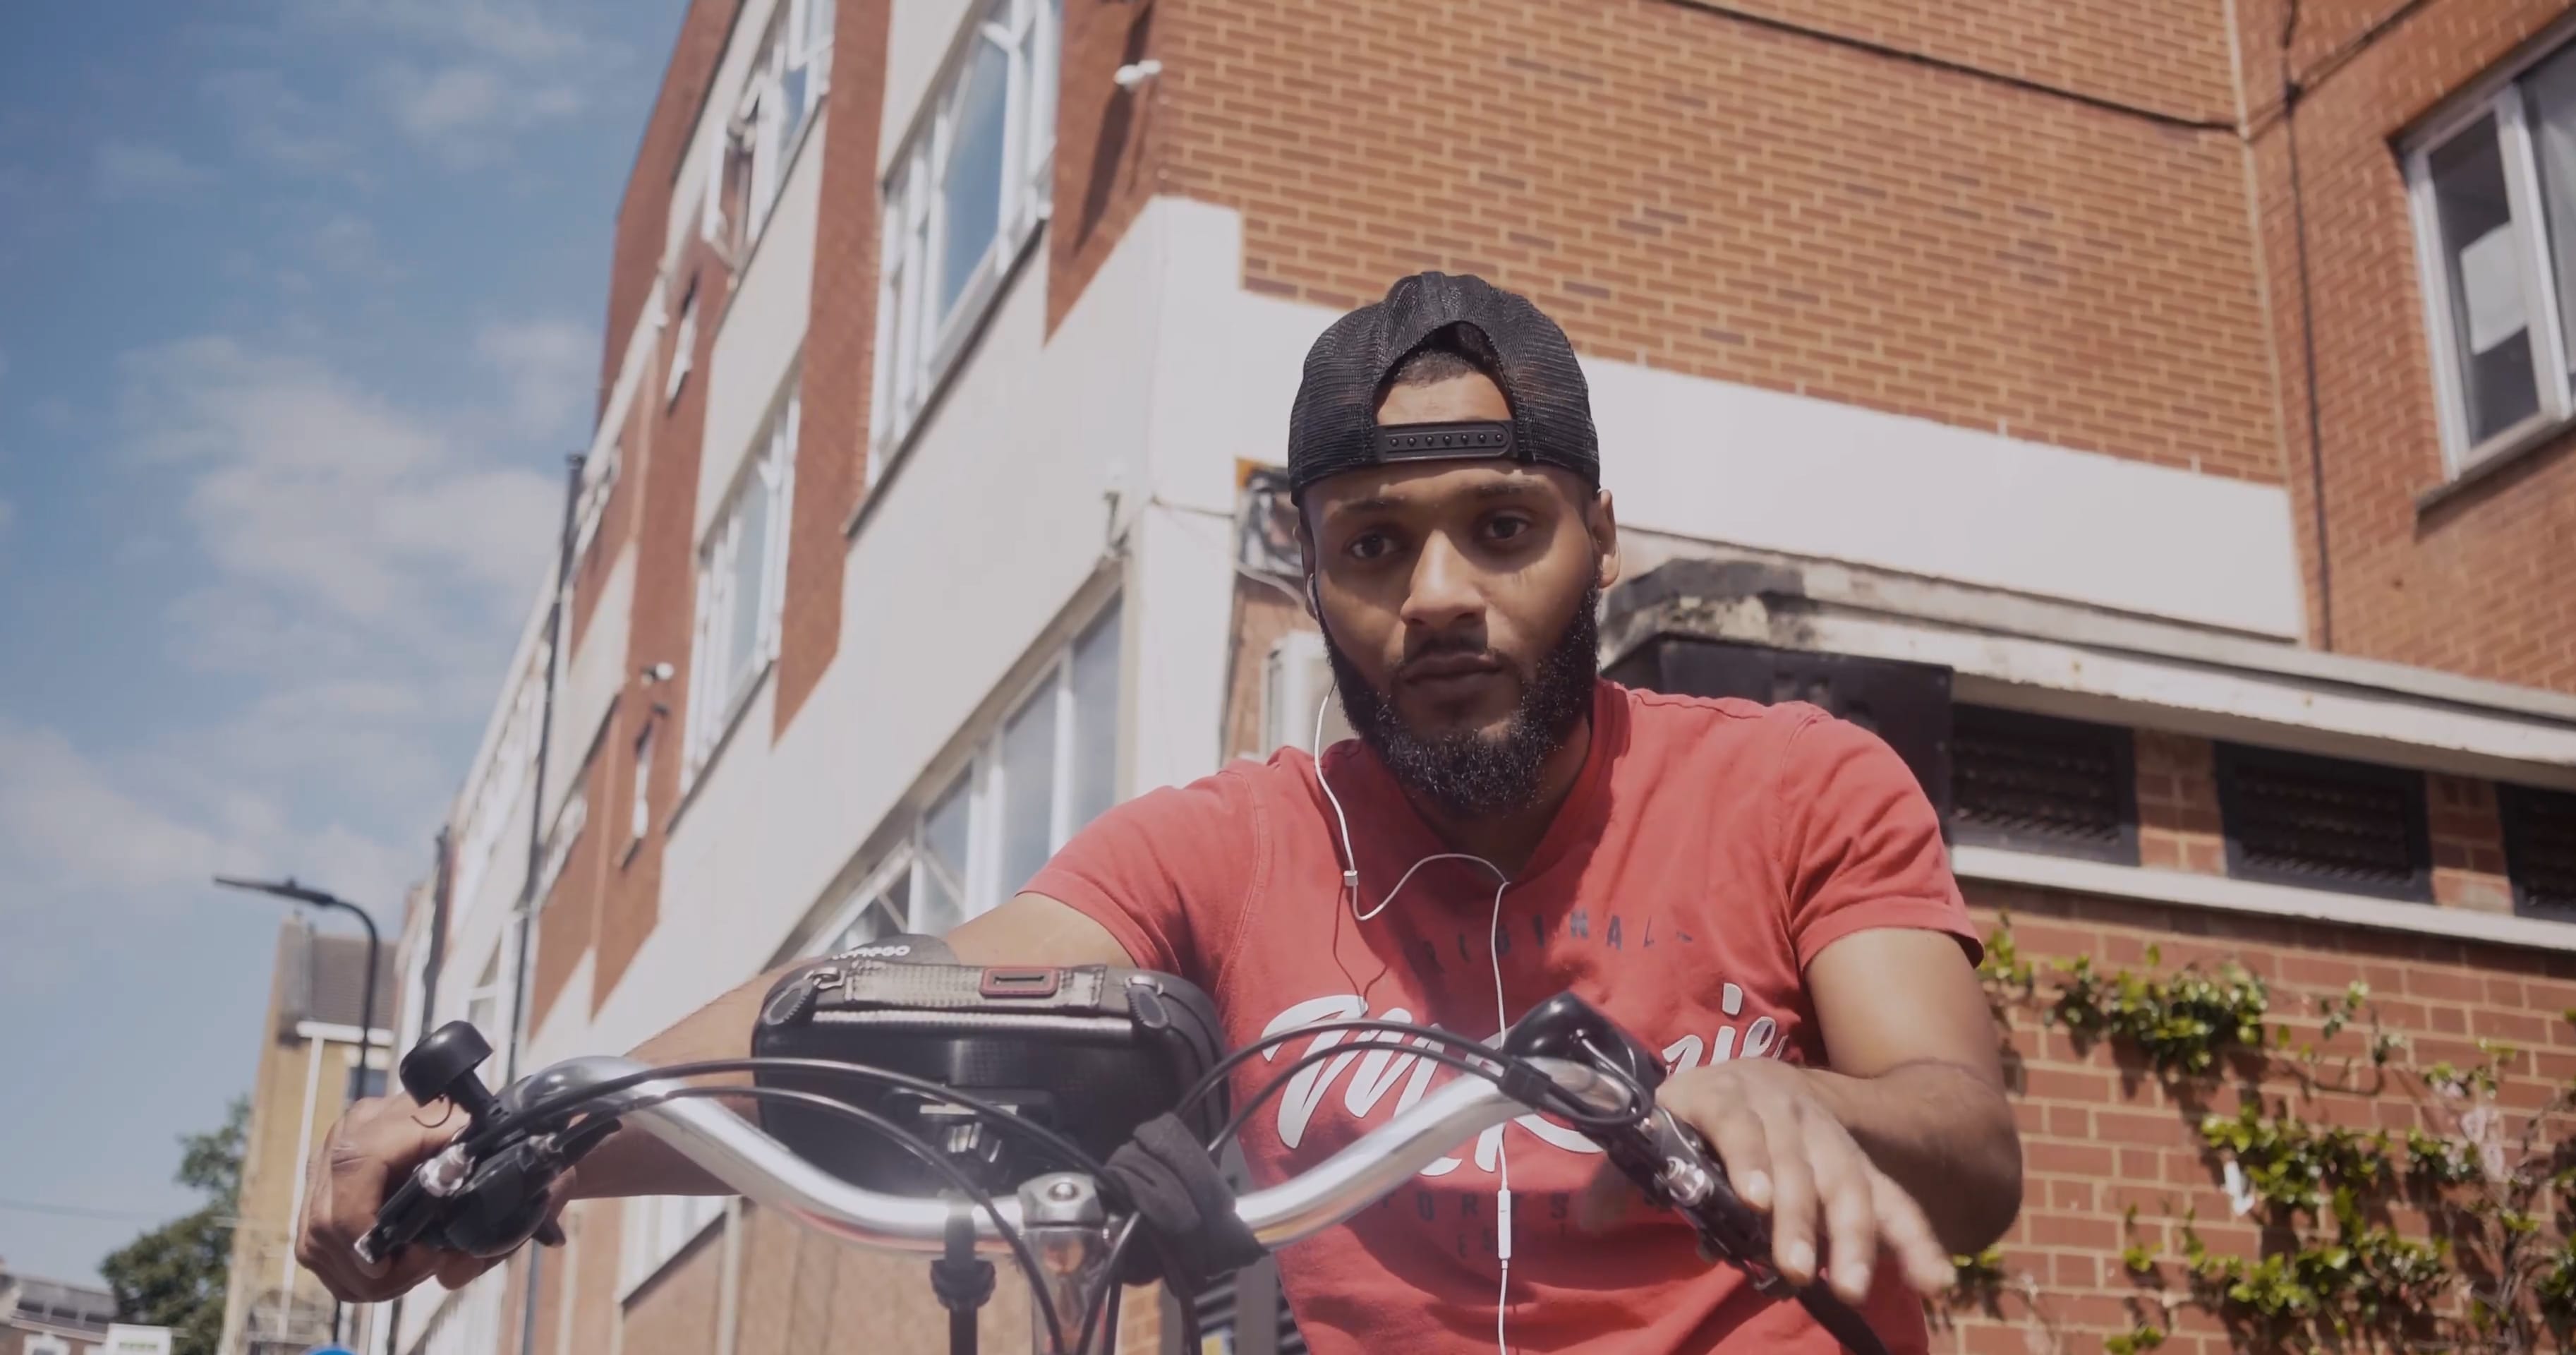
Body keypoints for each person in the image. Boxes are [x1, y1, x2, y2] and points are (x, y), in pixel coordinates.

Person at [298, 272, 2022, 1354]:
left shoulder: (1798, 782)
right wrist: (519, 1136)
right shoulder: (1228, 843)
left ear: (1597, 543)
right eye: (1373, 545)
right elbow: (878, 1021)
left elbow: (1969, 1146)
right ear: (1314, 577)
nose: (1438, 594)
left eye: (1502, 528)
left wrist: (1791, 1099)